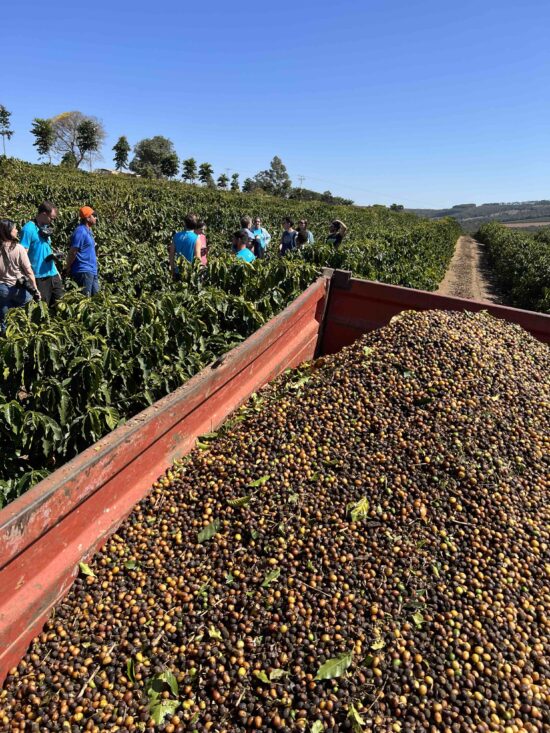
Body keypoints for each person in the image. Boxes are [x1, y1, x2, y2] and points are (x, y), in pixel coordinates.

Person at [0, 219, 41, 334]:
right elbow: (29, 271)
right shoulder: (19, 248)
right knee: (26, 317)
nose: (17, 230)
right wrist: (35, 289)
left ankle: (6, 345)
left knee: (5, 321)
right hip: (18, 288)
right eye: (14, 228)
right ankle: (25, 339)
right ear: (8, 231)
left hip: (2, 289)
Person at [20, 201, 64, 306]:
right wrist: (29, 276)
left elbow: (47, 250)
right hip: (39, 276)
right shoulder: (28, 229)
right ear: (44, 214)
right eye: (51, 218)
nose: (52, 221)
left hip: (52, 274)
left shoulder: (45, 229)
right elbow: (22, 254)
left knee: (60, 304)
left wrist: (56, 271)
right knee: (42, 308)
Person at [66, 206, 100, 296]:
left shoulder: (89, 231)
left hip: (92, 270)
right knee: (85, 300)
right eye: (94, 215)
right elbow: (73, 251)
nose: (96, 217)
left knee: (96, 299)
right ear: (88, 218)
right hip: (83, 270)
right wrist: (67, 267)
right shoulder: (80, 231)